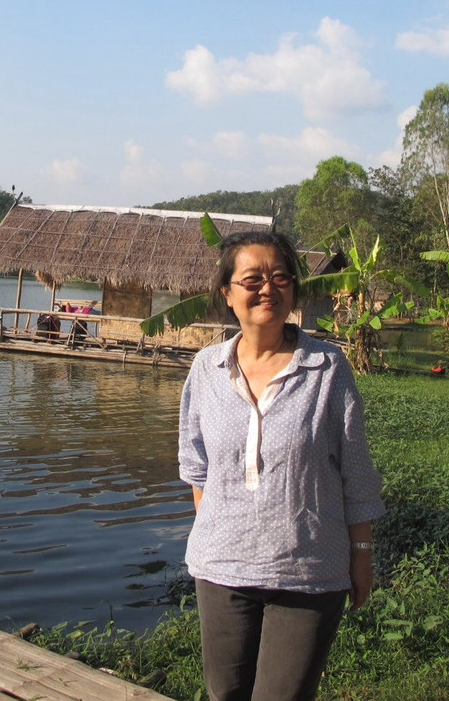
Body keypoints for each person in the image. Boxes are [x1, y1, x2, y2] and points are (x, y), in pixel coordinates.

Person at [178, 230, 386, 701]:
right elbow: (197, 468)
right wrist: (220, 533)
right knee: (224, 694)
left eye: (280, 278)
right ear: (228, 294)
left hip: (308, 572)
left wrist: (362, 555)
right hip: (221, 571)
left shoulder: (328, 368)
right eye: (252, 279)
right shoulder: (206, 369)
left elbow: (356, 470)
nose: (267, 289)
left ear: (293, 291)